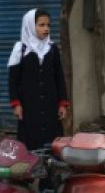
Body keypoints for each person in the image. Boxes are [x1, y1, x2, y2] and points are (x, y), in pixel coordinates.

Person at [7, 8, 69, 151]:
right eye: (41, 25)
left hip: (50, 105)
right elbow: (13, 80)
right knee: (30, 143)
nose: (46, 28)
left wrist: (62, 103)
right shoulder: (20, 49)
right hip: (29, 106)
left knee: (53, 143)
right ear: (30, 25)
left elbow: (59, 76)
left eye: (48, 25)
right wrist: (16, 104)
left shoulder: (52, 49)